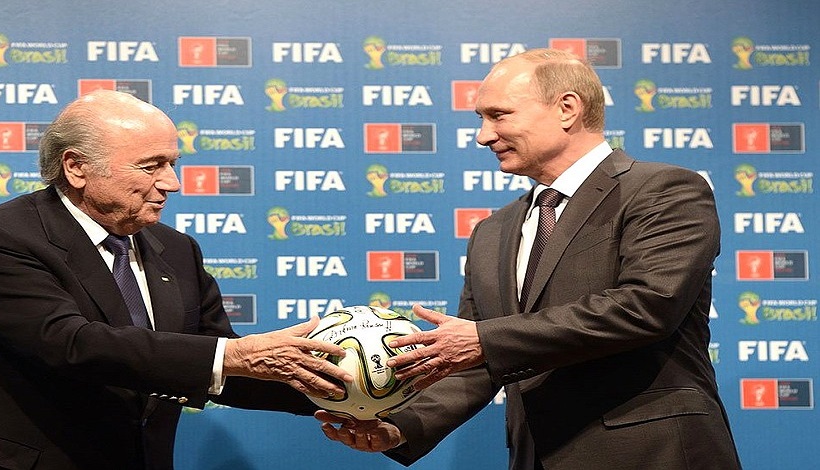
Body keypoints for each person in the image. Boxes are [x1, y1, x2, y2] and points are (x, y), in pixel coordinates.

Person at [316, 48, 742, 469]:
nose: (483, 136)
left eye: (498, 116)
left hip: (652, 455)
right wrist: (400, 426)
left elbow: (647, 306)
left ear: (567, 109)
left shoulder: (663, 190)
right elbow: (476, 361)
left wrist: (484, 340)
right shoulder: (493, 231)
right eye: (481, 119)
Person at [0, 90, 352, 470]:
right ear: (76, 167)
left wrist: (357, 399)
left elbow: (220, 366)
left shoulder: (176, 249)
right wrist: (232, 354)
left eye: (172, 163)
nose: (172, 183)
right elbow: (69, 344)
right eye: (151, 166)